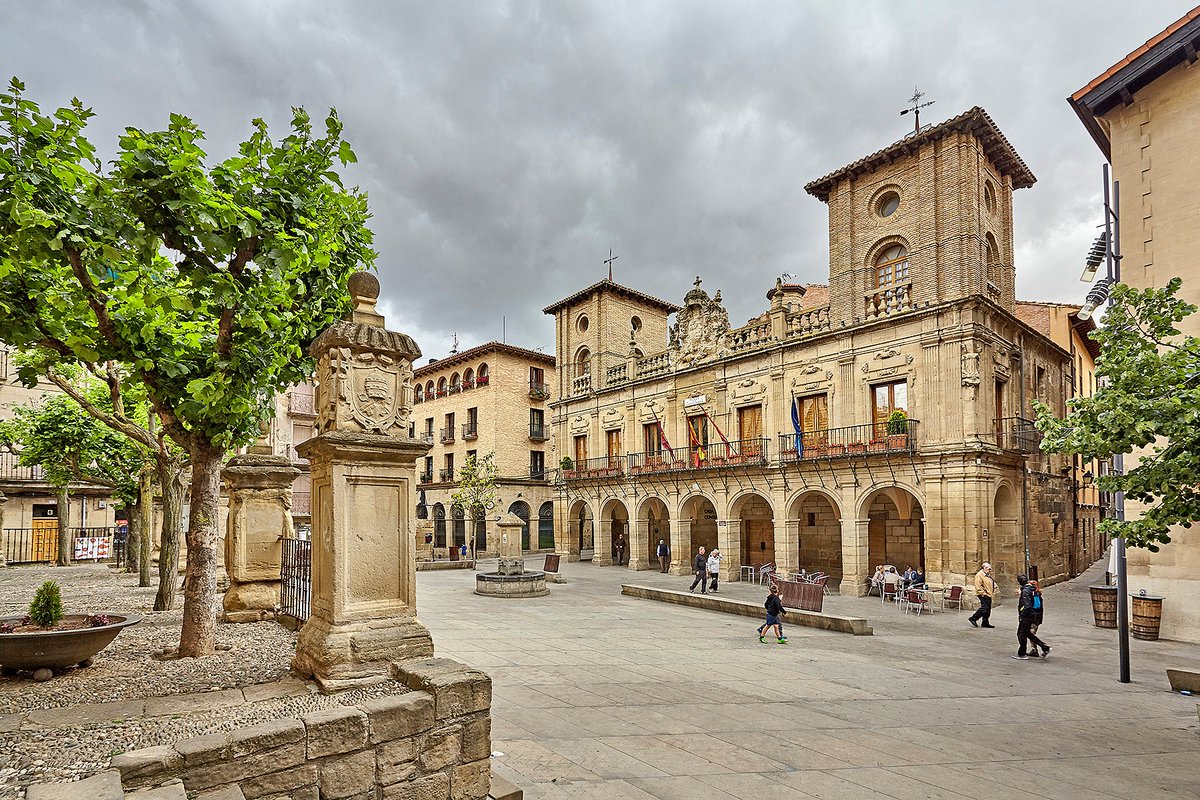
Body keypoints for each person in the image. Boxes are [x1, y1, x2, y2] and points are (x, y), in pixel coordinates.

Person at [1013, 574, 1051, 659]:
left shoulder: (1025, 591)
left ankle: (1022, 653)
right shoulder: (1033, 590)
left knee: (1021, 633)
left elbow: (1027, 605)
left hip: (1027, 616)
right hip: (1033, 615)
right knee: (1027, 633)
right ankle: (1044, 647)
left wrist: (1022, 615)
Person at [968, 562, 997, 628]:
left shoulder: (987, 574)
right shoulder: (979, 575)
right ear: (985, 568)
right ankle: (973, 618)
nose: (990, 570)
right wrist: (984, 593)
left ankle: (985, 622)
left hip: (989, 594)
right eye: (989, 569)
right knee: (984, 608)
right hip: (983, 594)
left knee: (988, 609)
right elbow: (978, 586)